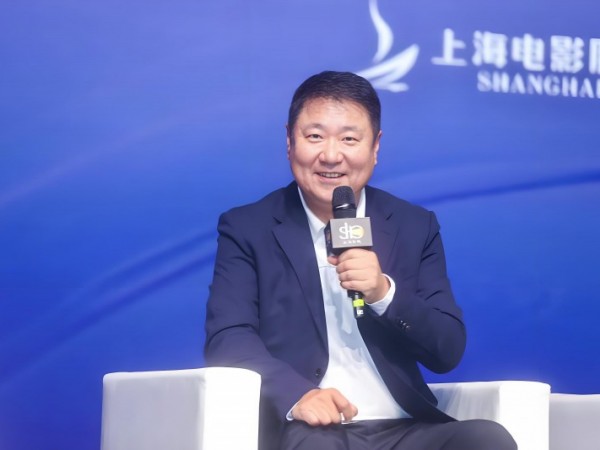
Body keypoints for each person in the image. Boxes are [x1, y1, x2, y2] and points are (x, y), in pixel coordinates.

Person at [204, 71, 516, 450]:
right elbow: (228, 337)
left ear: (375, 146)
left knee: (486, 439)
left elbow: (447, 350)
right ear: (289, 141)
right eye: (315, 136)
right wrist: (297, 395)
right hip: (309, 430)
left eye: (349, 139)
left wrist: (384, 293)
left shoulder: (413, 225)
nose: (331, 155)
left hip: (404, 426)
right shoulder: (249, 226)